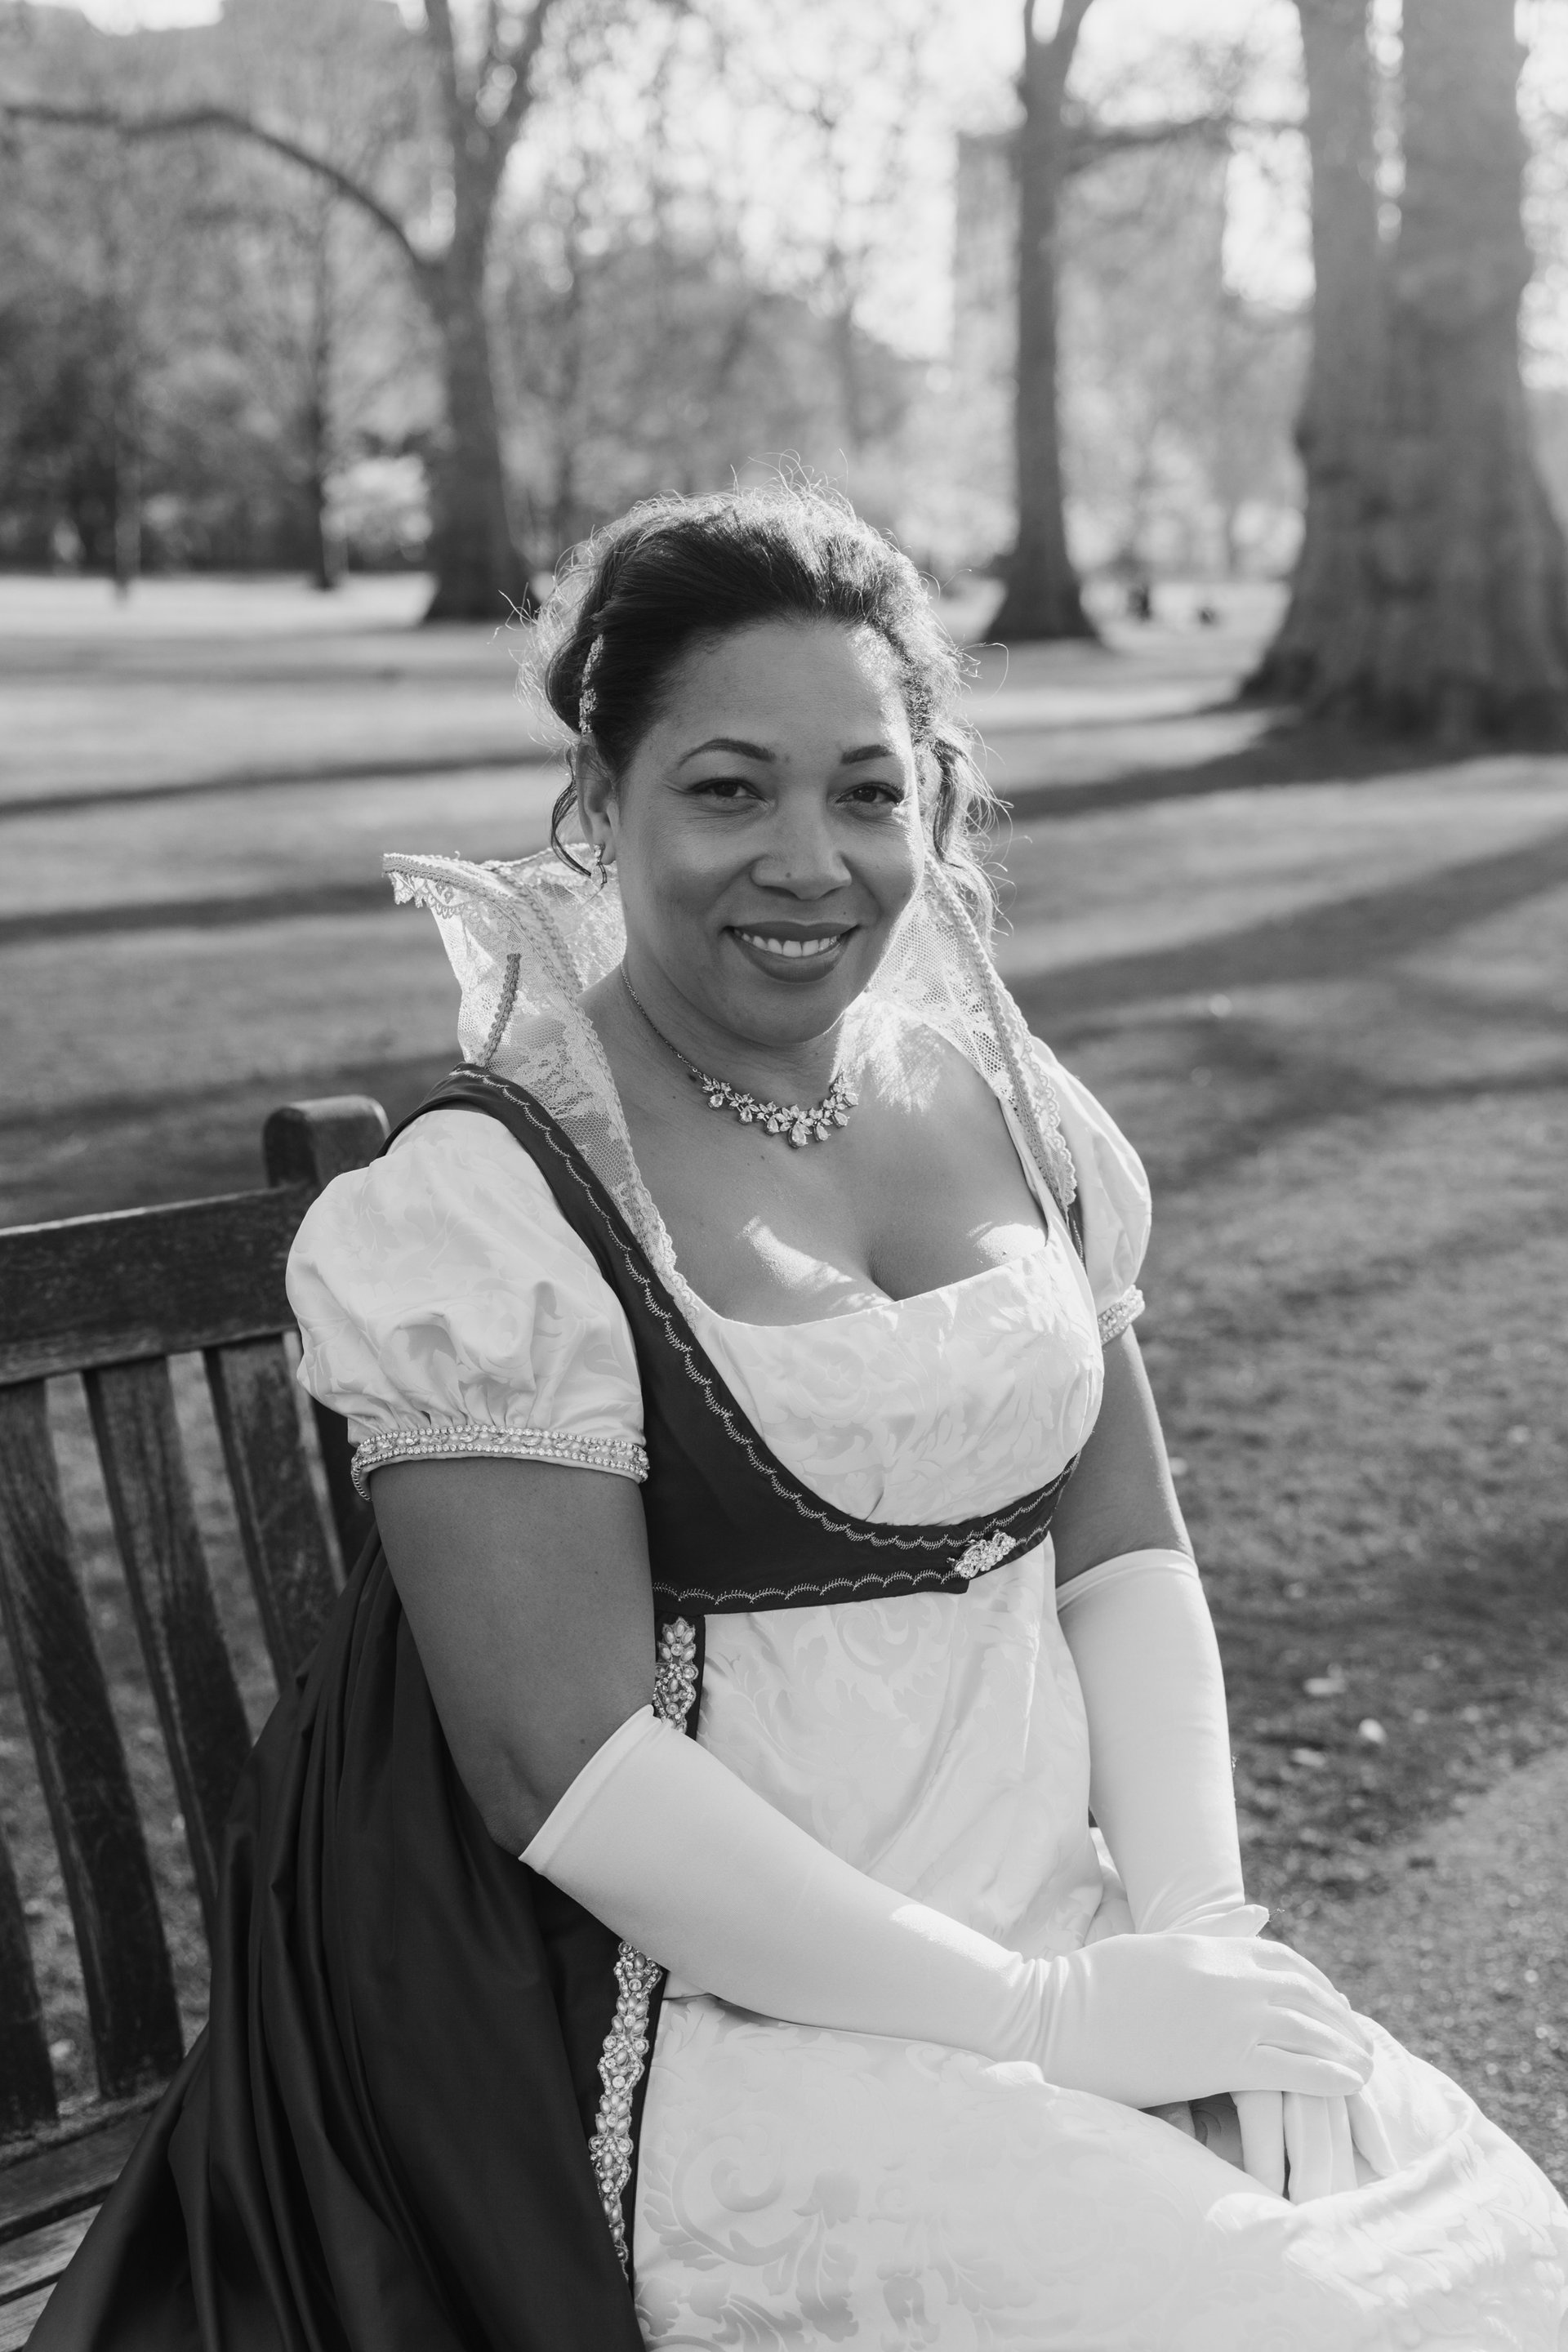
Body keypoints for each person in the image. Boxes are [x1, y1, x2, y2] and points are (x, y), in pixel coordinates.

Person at [38, 488, 1567, 2351]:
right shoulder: (491, 1209)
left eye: (866, 791)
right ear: (601, 802)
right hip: (699, 2021)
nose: (808, 862)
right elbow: (564, 1770)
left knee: (1484, 2258)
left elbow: (1125, 1551)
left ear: (935, 801)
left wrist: (1196, 1939)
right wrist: (1036, 2022)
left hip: (1069, 1926)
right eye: (728, 790)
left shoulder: (1000, 1101)